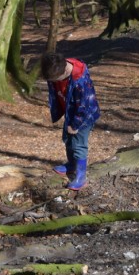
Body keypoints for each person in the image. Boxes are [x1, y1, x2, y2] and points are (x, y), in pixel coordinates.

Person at [40, 52, 101, 191]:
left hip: (84, 117)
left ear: (66, 70)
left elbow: (84, 106)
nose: (54, 82)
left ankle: (80, 176)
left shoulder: (80, 80)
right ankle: (71, 165)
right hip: (71, 112)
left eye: (56, 79)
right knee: (68, 140)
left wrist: (75, 124)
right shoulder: (57, 66)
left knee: (78, 144)